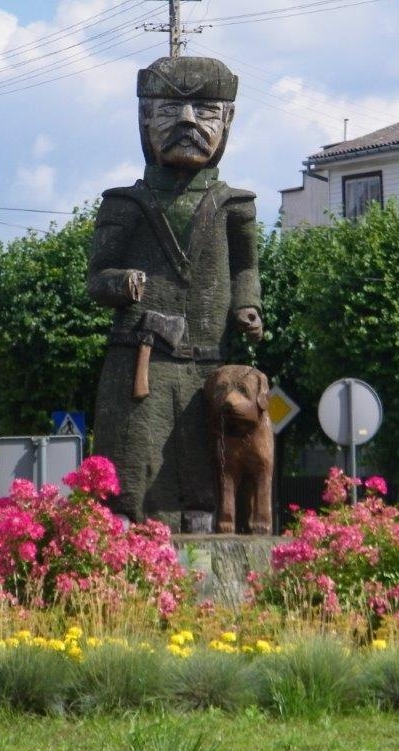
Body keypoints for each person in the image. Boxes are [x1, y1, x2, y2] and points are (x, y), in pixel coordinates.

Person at [88, 56, 263, 524]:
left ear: (228, 119)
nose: (188, 122)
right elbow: (97, 277)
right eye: (169, 110)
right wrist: (121, 282)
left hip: (210, 368)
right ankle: (133, 542)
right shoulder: (124, 204)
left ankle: (203, 546)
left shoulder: (236, 206)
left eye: (205, 111)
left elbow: (246, 268)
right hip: (140, 364)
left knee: (208, 470)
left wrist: (247, 306)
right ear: (144, 116)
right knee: (135, 471)